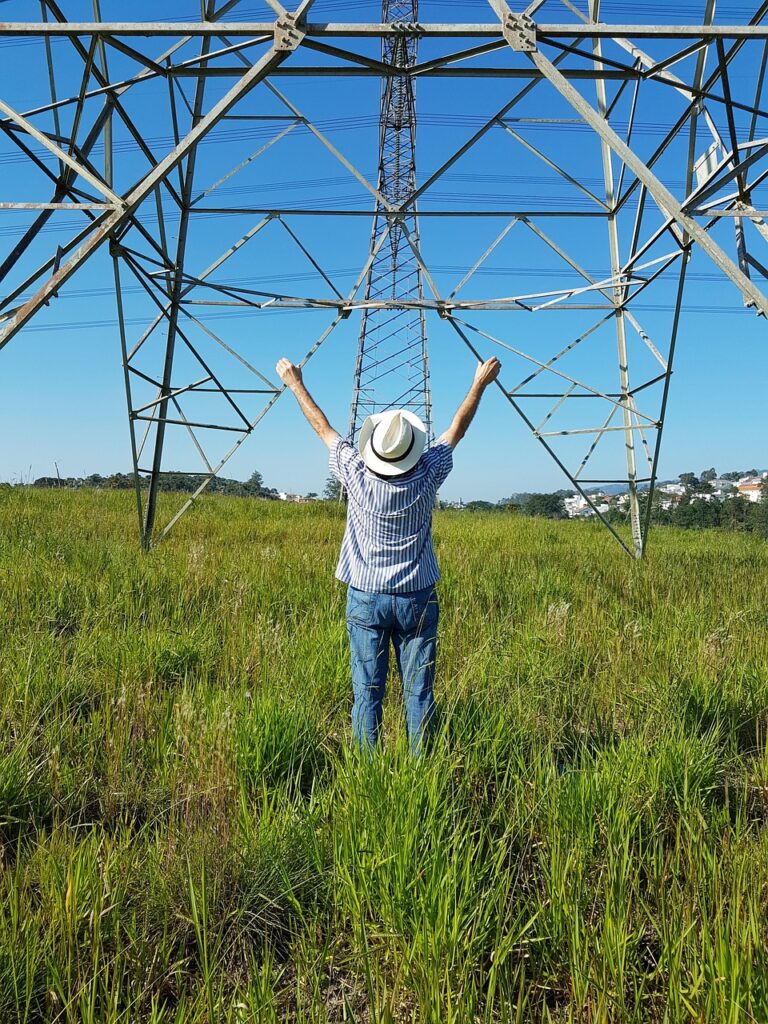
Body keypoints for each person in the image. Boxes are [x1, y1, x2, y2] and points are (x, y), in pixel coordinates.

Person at [275, 355, 502, 755]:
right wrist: (478, 384)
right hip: (417, 598)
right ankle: (421, 772)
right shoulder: (428, 471)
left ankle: (367, 774)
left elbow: (323, 428)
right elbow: (456, 431)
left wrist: (295, 384)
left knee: (367, 694)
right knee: (419, 695)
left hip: (365, 596)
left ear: (375, 449)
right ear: (411, 448)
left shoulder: (355, 472)